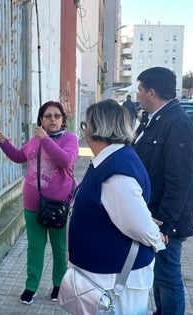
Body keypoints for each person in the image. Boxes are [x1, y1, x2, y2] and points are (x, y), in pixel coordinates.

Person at [67, 99, 165, 314]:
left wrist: (156, 237)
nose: (85, 131)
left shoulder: (116, 172)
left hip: (115, 282)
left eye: (86, 125)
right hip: (104, 277)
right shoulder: (111, 160)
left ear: (97, 128)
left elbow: (139, 226)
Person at [0, 101, 79, 305]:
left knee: (59, 248)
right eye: (48, 116)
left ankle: (58, 286)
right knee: (35, 247)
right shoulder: (34, 140)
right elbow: (18, 156)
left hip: (58, 205)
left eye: (57, 116)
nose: (52, 119)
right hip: (32, 205)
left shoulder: (70, 139)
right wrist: (4, 142)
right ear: (41, 119)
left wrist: (46, 140)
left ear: (63, 120)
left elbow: (66, 161)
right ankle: (31, 286)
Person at [132, 67, 193, 315]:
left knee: (168, 277)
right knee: (160, 276)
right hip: (155, 216)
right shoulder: (155, 120)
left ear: (151, 92)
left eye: (140, 90)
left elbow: (181, 179)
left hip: (166, 221)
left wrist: (166, 224)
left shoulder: (177, 123)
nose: (137, 95)